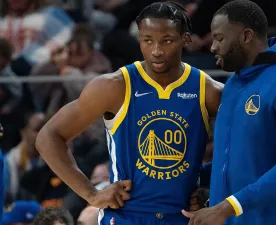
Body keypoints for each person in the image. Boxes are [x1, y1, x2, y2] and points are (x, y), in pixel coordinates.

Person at [35, 1, 223, 225]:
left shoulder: (208, 91)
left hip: (183, 218)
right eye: (147, 40)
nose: (156, 50)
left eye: (167, 41)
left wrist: (211, 195)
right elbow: (48, 137)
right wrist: (92, 194)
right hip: (126, 217)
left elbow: (241, 154)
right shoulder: (114, 86)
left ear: (185, 39)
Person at [182, 1, 276, 225]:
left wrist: (226, 208)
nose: (212, 47)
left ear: (246, 36)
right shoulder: (232, 85)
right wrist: (191, 177)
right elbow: (237, 162)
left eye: (219, 38)